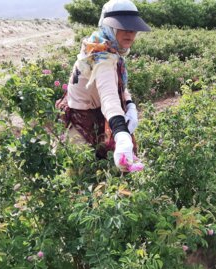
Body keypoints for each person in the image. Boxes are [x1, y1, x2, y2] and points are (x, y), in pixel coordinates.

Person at [56, 0, 150, 171]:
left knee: (104, 172)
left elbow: (117, 86)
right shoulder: (102, 57)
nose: (130, 33)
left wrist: (129, 104)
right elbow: (109, 96)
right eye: (123, 27)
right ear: (109, 27)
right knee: (79, 175)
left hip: (96, 116)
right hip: (83, 123)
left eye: (133, 28)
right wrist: (121, 133)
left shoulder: (103, 46)